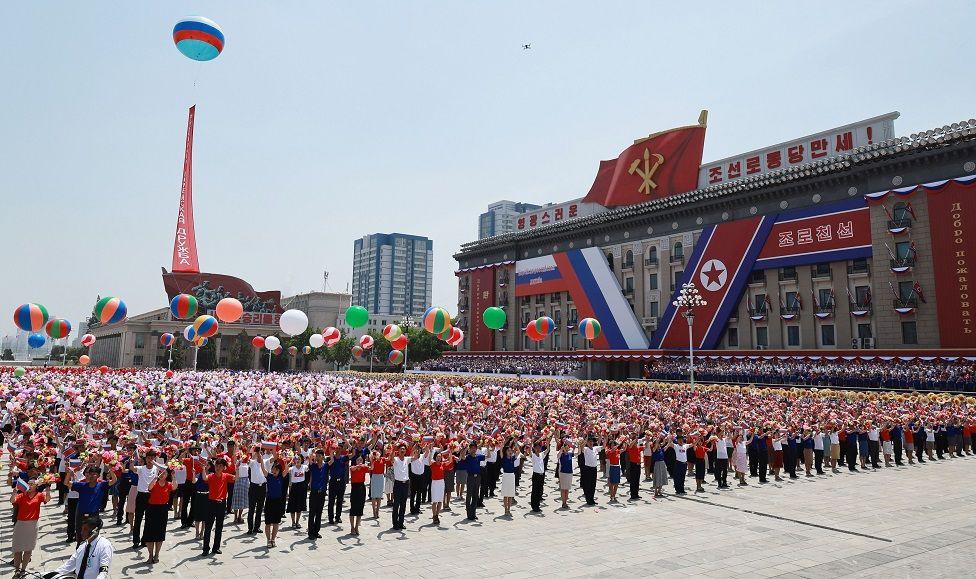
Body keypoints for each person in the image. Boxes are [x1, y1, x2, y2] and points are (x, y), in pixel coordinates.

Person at [11, 478, 50, 578]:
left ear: (36, 486)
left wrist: (48, 490)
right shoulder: (22, 495)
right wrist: (14, 492)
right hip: (20, 524)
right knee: (17, 549)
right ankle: (17, 570)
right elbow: (13, 501)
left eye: (32, 484)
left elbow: (47, 500)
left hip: (32, 525)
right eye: (28, 483)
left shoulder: (39, 495)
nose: (29, 485)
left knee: (28, 550)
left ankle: (23, 569)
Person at [54, 514, 113, 579]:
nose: (81, 532)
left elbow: (103, 573)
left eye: (85, 529)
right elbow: (68, 565)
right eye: (82, 529)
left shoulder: (105, 546)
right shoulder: (82, 546)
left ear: (94, 531)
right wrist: (51, 574)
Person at [202, 457, 235, 557]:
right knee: (208, 527)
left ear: (224, 467)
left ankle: (216, 547)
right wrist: (203, 469)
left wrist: (237, 467)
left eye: (220, 466)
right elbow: (204, 478)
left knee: (219, 527)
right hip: (211, 503)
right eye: (217, 465)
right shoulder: (211, 476)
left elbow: (236, 478)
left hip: (221, 504)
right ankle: (205, 549)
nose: (218, 467)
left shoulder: (226, 476)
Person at [143, 468, 176, 564]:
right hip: (152, 509)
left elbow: (174, 487)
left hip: (163, 510)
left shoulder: (168, 484)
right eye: (160, 473)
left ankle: (156, 554)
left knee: (159, 533)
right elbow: (149, 488)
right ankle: (150, 555)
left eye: (164, 473)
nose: (162, 475)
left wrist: (173, 476)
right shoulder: (154, 482)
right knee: (149, 533)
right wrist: (155, 478)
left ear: (167, 475)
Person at [132, 448, 163, 551]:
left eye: (152, 457)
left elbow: (165, 469)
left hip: (152, 496)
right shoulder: (141, 468)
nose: (150, 459)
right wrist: (132, 461)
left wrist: (156, 463)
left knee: (149, 520)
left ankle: (144, 539)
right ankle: (135, 540)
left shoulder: (156, 468)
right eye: (148, 457)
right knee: (138, 519)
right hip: (141, 495)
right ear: (145, 458)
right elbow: (132, 468)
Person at [262, 458, 286, 548]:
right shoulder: (269, 476)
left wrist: (286, 460)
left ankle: (273, 539)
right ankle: (268, 540)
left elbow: (286, 469)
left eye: (277, 469)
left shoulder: (281, 477)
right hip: (269, 501)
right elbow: (263, 469)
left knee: (276, 523)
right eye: (273, 469)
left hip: (278, 502)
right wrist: (261, 460)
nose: (274, 471)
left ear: (279, 471)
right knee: (268, 523)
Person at [458, 441, 485, 521]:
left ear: (476, 449)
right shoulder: (468, 457)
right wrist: (464, 448)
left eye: (474, 448)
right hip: (470, 477)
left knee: (475, 495)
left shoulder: (478, 456)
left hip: (478, 477)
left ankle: (473, 513)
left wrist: (486, 446)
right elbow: (462, 456)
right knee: (469, 495)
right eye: (472, 448)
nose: (473, 449)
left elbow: (488, 456)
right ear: (470, 449)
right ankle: (469, 514)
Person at [307, 449, 329, 540]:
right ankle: (311, 532)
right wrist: (312, 456)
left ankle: (316, 531)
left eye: (319, 456)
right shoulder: (313, 466)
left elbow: (332, 460)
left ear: (323, 456)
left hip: (322, 492)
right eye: (317, 456)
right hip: (314, 492)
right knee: (312, 512)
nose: (318, 458)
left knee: (319, 512)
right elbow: (310, 461)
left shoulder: (326, 466)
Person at [247, 446, 268, 534]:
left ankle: (257, 527)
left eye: (261, 453)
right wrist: (253, 450)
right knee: (251, 509)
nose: (260, 455)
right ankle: (250, 528)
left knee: (259, 509)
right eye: (258, 453)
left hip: (262, 487)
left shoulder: (265, 463)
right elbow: (246, 459)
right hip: (253, 487)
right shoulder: (252, 462)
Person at [327, 446, 349, 525]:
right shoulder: (331, 458)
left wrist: (347, 443)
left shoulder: (343, 458)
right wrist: (331, 453)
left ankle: (338, 517)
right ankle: (330, 518)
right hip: (333, 481)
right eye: (337, 448)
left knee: (340, 500)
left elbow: (353, 454)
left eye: (340, 448)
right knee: (331, 501)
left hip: (341, 481)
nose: (338, 449)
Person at [287, 453, 309, 529]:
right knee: (293, 506)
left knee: (300, 506)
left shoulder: (304, 467)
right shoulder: (292, 468)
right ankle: (293, 522)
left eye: (299, 459)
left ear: (302, 460)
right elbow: (286, 471)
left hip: (301, 487)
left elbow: (310, 468)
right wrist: (289, 463)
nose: (298, 460)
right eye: (296, 459)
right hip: (294, 487)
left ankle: (297, 522)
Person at [391, 443, 411, 529]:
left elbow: (416, 457)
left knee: (403, 504)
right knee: (396, 504)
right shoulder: (395, 459)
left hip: (406, 484)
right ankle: (395, 523)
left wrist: (416, 443)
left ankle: (401, 523)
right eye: (401, 449)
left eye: (404, 449)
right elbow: (390, 458)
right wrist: (393, 449)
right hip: (398, 484)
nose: (402, 450)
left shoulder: (407, 459)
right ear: (398, 451)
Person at [349, 454, 369, 535]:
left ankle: (357, 527)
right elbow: (353, 469)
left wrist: (372, 459)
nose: (360, 461)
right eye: (358, 460)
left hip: (362, 487)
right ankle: (352, 527)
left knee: (360, 508)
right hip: (354, 488)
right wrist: (358, 466)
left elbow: (372, 468)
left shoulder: (364, 467)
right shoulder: (352, 467)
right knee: (353, 508)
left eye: (361, 460)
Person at [500, 445, 521, 516]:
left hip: (512, 476)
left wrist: (515, 443)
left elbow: (519, 451)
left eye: (510, 450)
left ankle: (509, 509)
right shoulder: (503, 458)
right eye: (508, 450)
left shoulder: (513, 458)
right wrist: (503, 444)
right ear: (505, 452)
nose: (510, 452)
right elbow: (501, 450)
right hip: (506, 476)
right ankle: (505, 509)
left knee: (510, 494)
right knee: (506, 494)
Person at [580, 437, 600, 505]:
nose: (591, 443)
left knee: (593, 485)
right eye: (589, 442)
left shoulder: (595, 448)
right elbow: (581, 447)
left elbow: (603, 446)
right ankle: (588, 500)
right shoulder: (586, 449)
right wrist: (586, 440)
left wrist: (604, 437)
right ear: (587, 443)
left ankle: (592, 499)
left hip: (594, 468)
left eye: (592, 442)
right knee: (587, 484)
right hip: (588, 469)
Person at [368, 448, 387, 519]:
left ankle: (377, 511)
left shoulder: (383, 459)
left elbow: (389, 459)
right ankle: (373, 511)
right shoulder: (373, 460)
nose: (377, 453)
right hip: (374, 477)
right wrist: (372, 459)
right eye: (376, 452)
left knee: (379, 495)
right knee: (373, 495)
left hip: (381, 477)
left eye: (379, 451)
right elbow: (371, 468)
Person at [556, 439, 574, 509]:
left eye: (568, 447)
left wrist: (578, 444)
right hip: (563, 473)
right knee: (563, 489)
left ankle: (566, 501)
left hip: (569, 473)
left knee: (567, 489)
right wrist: (561, 450)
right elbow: (557, 456)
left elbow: (578, 452)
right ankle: (563, 503)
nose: (567, 448)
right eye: (565, 447)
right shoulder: (561, 454)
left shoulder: (570, 454)